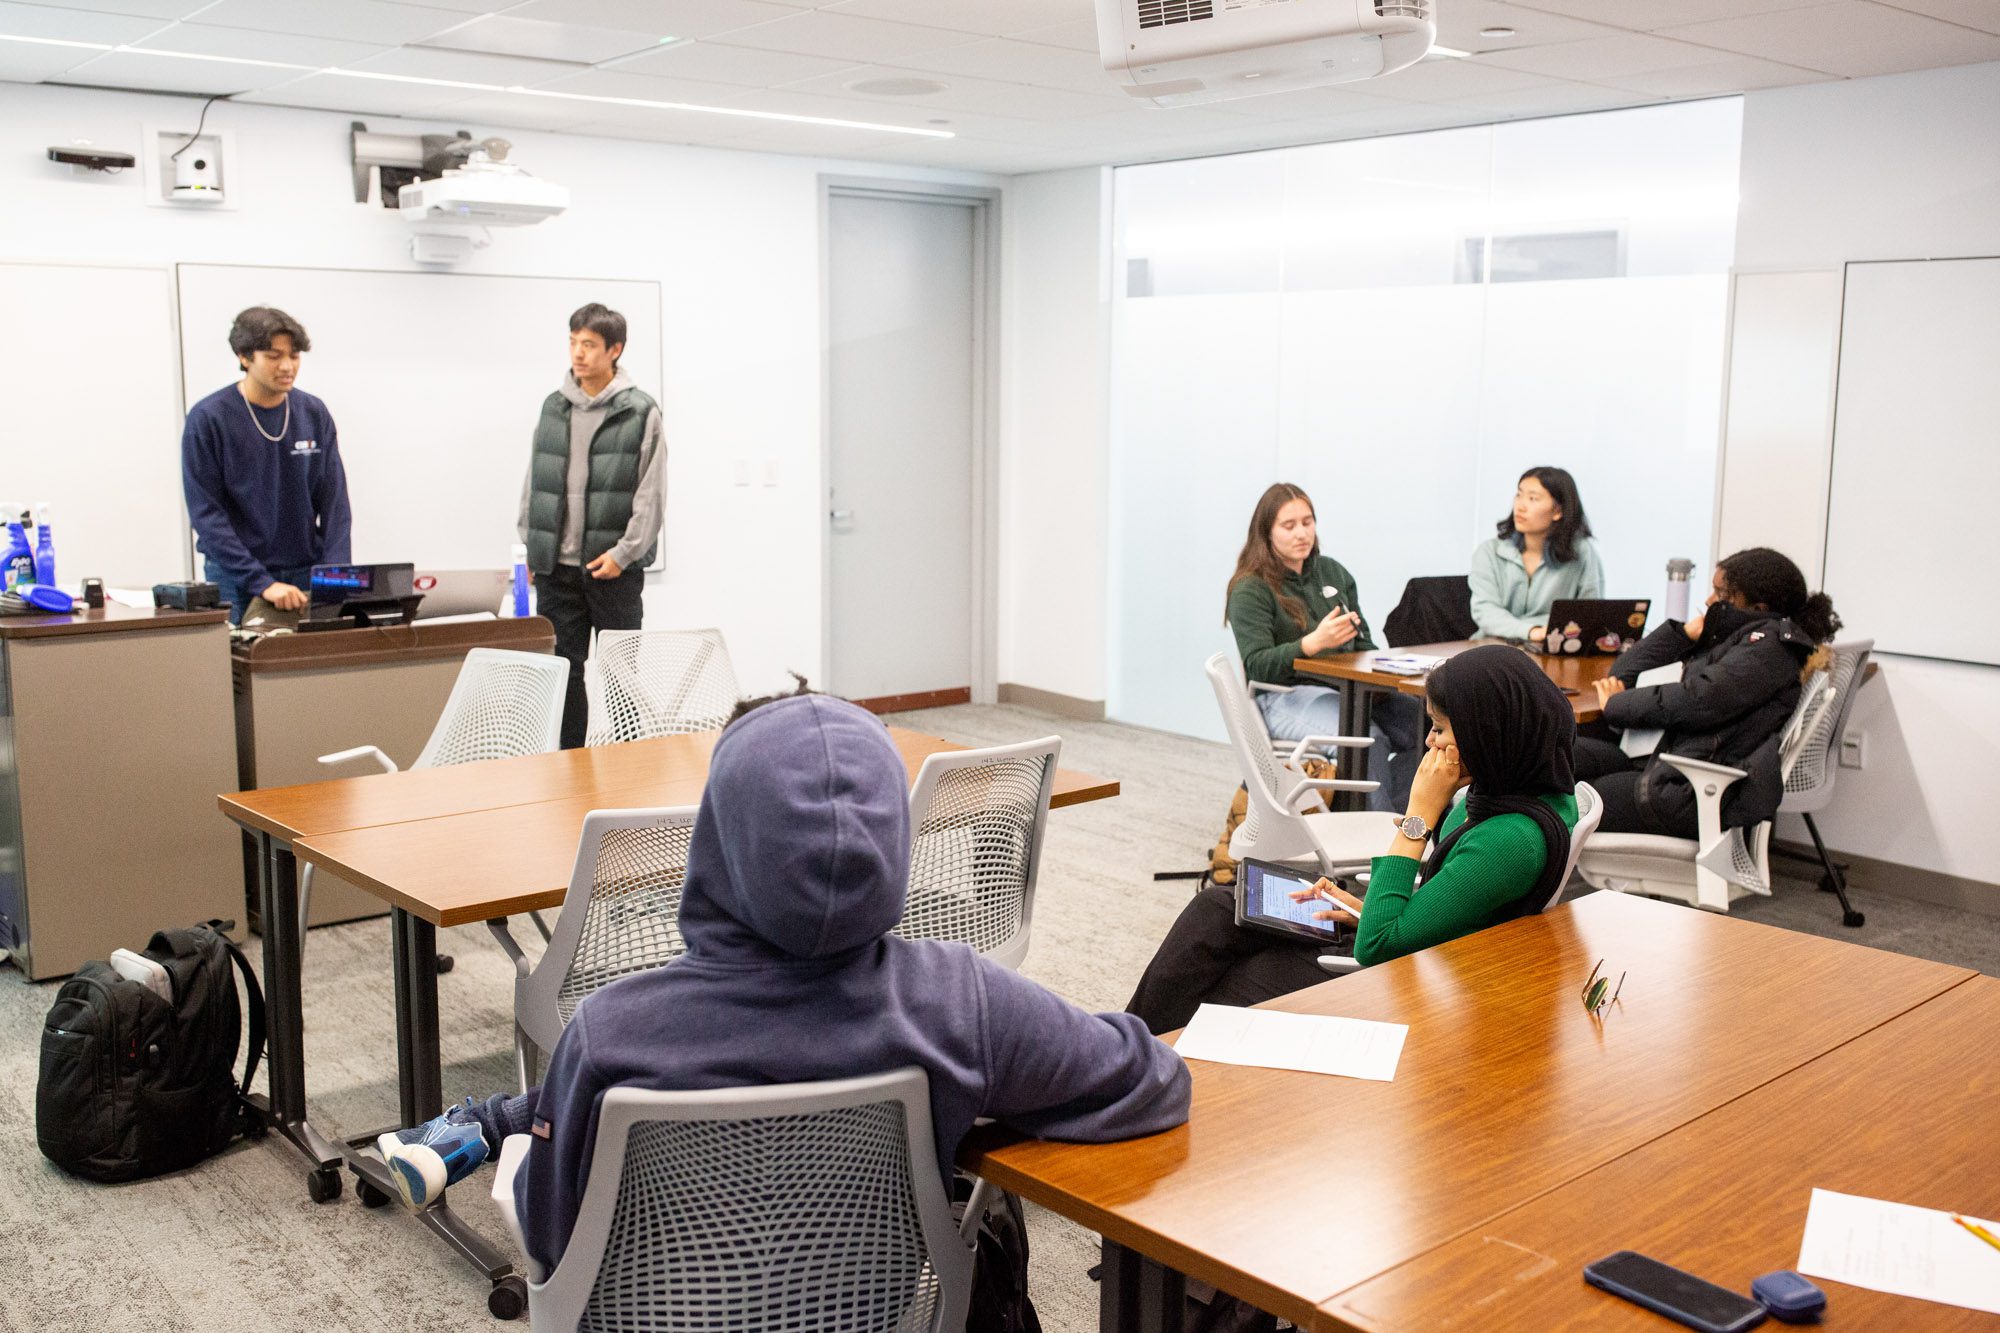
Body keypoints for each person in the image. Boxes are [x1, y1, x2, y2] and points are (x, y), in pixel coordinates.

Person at [375, 693, 1191, 1276]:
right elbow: (1152, 1081)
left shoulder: (611, 1028)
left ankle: (479, 1126)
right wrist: (982, 1102)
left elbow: (553, 1241)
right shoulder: (960, 1000)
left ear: (715, 840)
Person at [1127, 645, 1578, 1035]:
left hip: (1411, 983)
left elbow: (1380, 945)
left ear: (1489, 733)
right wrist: (1361, 908)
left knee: (1225, 980)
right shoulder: (1523, 788)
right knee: (1218, 906)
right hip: (1415, 948)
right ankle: (1118, 1051)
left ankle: (1123, 1060)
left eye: (1439, 728)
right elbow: (1450, 903)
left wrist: (1419, 815)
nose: (1428, 741)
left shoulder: (1510, 839)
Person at [1576, 547, 1839, 839]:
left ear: (1758, 608)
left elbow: (1698, 700)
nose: (1709, 600)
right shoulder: (1735, 640)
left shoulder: (1769, 649)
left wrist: (1616, 704)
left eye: (1721, 593)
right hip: (1664, 762)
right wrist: (1681, 634)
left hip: (1690, 790)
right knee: (1562, 758)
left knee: (1571, 801)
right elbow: (1622, 674)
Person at [519, 303, 666, 748]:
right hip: (557, 570)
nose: (578, 353)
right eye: (573, 342)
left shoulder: (639, 411)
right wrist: (533, 547)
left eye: (589, 344)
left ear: (614, 350)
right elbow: (536, 480)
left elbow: (651, 492)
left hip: (612, 569)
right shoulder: (554, 406)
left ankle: (628, 766)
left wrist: (624, 553)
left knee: (621, 674)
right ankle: (568, 766)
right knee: (562, 672)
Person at [1227, 482, 1425, 810]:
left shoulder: (1331, 572)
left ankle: (1399, 817)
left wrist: (1381, 674)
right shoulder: (1250, 588)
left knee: (1429, 727)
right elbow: (1258, 666)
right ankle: (1378, 833)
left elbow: (1363, 643)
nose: (1301, 533)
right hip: (1280, 696)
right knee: (1365, 738)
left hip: (1348, 690)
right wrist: (1310, 644)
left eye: (1307, 522)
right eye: (1289, 525)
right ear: (1266, 532)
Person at [180, 307, 351, 624]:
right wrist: (262, 583)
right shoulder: (209, 418)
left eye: (294, 356)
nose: (287, 366)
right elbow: (206, 514)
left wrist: (336, 577)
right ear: (245, 357)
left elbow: (334, 503)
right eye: (274, 356)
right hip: (235, 576)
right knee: (237, 655)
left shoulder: (313, 413)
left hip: (304, 571)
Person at [1468, 466, 1605, 643]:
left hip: (1552, 646)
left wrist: (1547, 632)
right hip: (1494, 645)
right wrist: (1531, 631)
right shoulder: (1489, 552)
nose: (1520, 506)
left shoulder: (1582, 552)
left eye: (1533, 498)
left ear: (1558, 511)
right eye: (1519, 495)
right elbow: (1485, 611)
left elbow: (1589, 612)